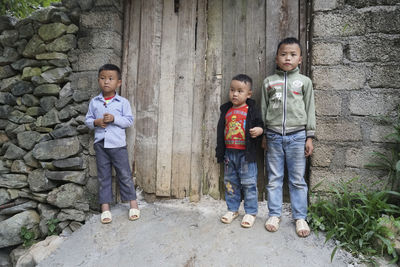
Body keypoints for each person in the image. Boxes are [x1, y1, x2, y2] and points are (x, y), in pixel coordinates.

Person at [261, 37, 316, 237]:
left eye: (293, 55)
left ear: (300, 59)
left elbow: (310, 109)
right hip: (274, 137)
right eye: (283, 54)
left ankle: (300, 217)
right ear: (276, 58)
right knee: (274, 178)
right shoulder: (269, 82)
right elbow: (264, 109)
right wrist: (265, 134)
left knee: (297, 179)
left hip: (297, 137)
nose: (288, 58)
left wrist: (309, 137)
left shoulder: (304, 82)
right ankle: (274, 214)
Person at [85, 63, 140, 224]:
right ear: (98, 80)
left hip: (117, 145)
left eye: (111, 78)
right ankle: (105, 209)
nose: (106, 82)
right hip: (101, 145)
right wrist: (97, 121)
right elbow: (87, 120)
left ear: (119, 83)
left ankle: (133, 204)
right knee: (103, 176)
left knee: (124, 174)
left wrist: (114, 119)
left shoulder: (122, 102)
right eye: (103, 78)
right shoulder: (94, 102)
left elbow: (129, 121)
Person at [216, 74, 264, 228]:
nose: (234, 94)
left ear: (248, 94)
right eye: (232, 90)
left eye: (239, 91)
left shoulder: (251, 110)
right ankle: (232, 209)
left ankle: (250, 212)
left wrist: (260, 130)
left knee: (249, 183)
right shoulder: (227, 110)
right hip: (230, 154)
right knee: (230, 183)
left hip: (246, 155)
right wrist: (220, 152)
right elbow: (220, 132)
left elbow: (260, 124)